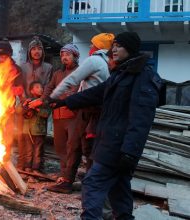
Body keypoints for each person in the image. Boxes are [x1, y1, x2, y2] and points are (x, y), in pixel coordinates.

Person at [50, 32, 163, 219]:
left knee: (92, 184)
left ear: (131, 48)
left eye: (119, 45)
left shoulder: (142, 77)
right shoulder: (122, 73)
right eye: (114, 45)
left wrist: (130, 152)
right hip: (111, 142)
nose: (114, 49)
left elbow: (141, 119)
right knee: (119, 188)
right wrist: (66, 102)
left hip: (118, 147)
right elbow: (96, 93)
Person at [47, 33, 114, 193]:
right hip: (97, 111)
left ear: (98, 47)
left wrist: (52, 98)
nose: (90, 48)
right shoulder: (108, 64)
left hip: (86, 111)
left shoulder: (94, 61)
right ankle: (88, 184)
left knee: (76, 146)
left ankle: (70, 183)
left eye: (93, 45)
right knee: (90, 148)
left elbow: (72, 80)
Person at [29, 44, 80, 184]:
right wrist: (41, 100)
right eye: (62, 55)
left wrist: (62, 97)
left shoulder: (80, 72)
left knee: (72, 147)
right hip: (58, 115)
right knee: (60, 146)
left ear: (75, 56)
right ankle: (64, 174)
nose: (64, 57)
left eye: (68, 55)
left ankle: (69, 177)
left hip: (73, 116)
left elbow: (78, 92)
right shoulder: (58, 74)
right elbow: (49, 88)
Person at [17, 37, 53, 170]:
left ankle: (37, 167)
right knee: (22, 136)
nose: (36, 51)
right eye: (33, 49)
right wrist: (24, 100)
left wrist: (40, 100)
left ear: (42, 51)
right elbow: (19, 85)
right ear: (29, 51)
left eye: (39, 49)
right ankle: (22, 166)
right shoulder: (23, 67)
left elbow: (49, 85)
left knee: (38, 138)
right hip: (25, 104)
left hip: (40, 105)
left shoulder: (48, 67)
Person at [0, 41, 24, 160]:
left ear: (10, 55)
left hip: (8, 108)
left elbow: (19, 88)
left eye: (5, 55)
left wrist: (9, 88)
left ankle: (5, 158)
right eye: (0, 55)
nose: (2, 57)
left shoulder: (16, 69)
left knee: (7, 134)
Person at [18, 81, 51, 174]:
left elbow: (46, 114)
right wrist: (25, 105)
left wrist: (36, 108)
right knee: (28, 151)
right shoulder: (27, 101)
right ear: (32, 91)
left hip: (39, 131)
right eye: (37, 87)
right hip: (27, 130)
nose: (41, 89)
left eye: (41, 87)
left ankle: (35, 169)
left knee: (37, 152)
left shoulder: (44, 102)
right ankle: (28, 168)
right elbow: (18, 111)